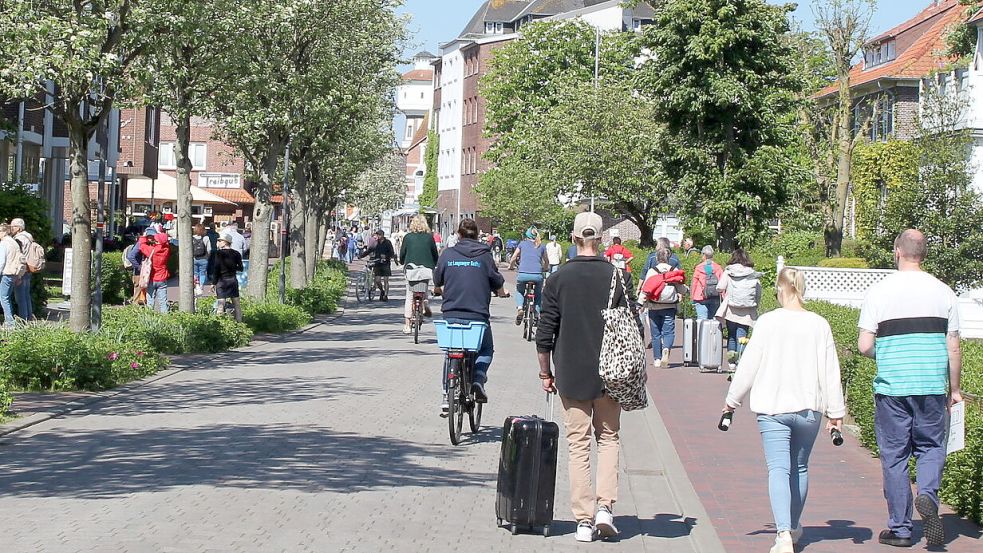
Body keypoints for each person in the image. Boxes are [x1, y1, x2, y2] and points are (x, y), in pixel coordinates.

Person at [723, 267, 846, 553]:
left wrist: (732, 399)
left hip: (773, 407)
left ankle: (783, 535)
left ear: (780, 290)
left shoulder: (768, 322)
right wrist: (835, 411)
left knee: (778, 469)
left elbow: (749, 364)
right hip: (808, 409)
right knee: (800, 468)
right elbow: (831, 371)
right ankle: (793, 524)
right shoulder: (819, 324)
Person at [536, 211, 639, 543]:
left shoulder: (558, 279)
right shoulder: (618, 277)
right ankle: (605, 507)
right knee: (609, 439)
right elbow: (635, 325)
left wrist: (545, 372)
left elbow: (545, 332)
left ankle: (583, 519)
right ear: (601, 239)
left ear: (574, 237)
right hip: (613, 372)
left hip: (571, 372)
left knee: (577, 444)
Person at [857, 229, 962, 548]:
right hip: (931, 386)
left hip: (893, 388)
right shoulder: (944, 292)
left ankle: (901, 530)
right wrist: (954, 390)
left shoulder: (879, 292)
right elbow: (953, 346)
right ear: (924, 253)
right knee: (931, 447)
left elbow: (864, 346)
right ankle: (928, 494)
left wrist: (887, 354)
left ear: (897, 252)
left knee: (895, 457)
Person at [433, 218, 508, 412]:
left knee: (451, 351)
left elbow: (437, 279)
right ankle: (478, 379)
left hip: (451, 313)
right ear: (477, 235)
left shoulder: (447, 254)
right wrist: (502, 292)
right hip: (477, 315)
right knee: (485, 349)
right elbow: (496, 281)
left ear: (458, 234)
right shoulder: (485, 256)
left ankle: (445, 393)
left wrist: (438, 289)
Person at [716, 248, 762, 371]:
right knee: (742, 336)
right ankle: (741, 360)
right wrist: (755, 304)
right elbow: (758, 291)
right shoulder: (752, 272)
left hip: (731, 307)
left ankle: (732, 362)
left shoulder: (729, 271)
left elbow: (720, 287)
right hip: (747, 309)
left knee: (731, 335)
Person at [640, 248, 684, 367]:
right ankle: (666, 349)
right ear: (668, 258)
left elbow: (646, 289)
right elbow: (681, 288)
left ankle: (657, 359)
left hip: (654, 306)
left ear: (657, 258)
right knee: (668, 332)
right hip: (670, 306)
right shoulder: (673, 270)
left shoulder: (652, 271)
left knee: (655, 334)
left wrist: (640, 304)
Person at [399, 215, 439, 334]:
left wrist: (402, 262)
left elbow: (402, 254)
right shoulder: (429, 237)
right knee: (424, 288)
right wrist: (434, 263)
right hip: (426, 270)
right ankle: (425, 304)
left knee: (409, 296)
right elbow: (435, 254)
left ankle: (407, 325)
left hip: (411, 269)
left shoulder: (408, 237)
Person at [509, 227, 548, 325]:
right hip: (537, 275)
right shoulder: (542, 246)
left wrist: (511, 266)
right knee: (538, 293)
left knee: (520, 291)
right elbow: (546, 261)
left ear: (527, 235)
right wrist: (545, 268)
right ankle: (536, 313)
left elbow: (514, 257)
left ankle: (520, 309)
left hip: (523, 274)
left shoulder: (522, 244)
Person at [138, 228, 172, 313]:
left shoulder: (152, 250)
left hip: (152, 278)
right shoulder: (166, 250)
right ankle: (165, 318)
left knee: (150, 299)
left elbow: (142, 246)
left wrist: (144, 236)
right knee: (163, 301)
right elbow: (166, 243)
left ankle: (150, 317)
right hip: (162, 278)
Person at [211, 236, 244, 322]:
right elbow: (241, 268)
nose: (218, 242)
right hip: (232, 280)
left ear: (225, 242)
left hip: (221, 282)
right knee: (236, 304)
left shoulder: (218, 254)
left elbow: (216, 269)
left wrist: (213, 283)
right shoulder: (236, 254)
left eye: (220, 241)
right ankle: (240, 324)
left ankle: (219, 325)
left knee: (221, 305)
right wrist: (232, 268)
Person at [359, 229, 395, 301]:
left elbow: (391, 253)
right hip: (377, 263)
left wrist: (386, 256)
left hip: (385, 263)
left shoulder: (388, 243)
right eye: (377, 235)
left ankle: (385, 295)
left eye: (379, 235)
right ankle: (382, 291)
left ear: (382, 235)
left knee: (385, 280)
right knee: (377, 280)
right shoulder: (375, 243)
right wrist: (361, 256)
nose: (377, 236)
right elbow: (369, 250)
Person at [9, 218, 33, 320]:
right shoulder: (29, 237)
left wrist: (18, 275)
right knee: (26, 296)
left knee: (20, 297)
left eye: (12, 227)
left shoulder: (19, 239)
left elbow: (19, 256)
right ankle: (29, 318)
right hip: (28, 269)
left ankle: (24, 320)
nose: (11, 229)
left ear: (19, 228)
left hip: (21, 270)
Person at [690, 245, 723, 321]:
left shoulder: (699, 268)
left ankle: (702, 333)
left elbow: (694, 283)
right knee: (714, 321)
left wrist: (692, 297)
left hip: (700, 297)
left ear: (704, 255)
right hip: (715, 296)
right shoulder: (718, 267)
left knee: (702, 320)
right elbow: (722, 283)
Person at [0, 223, 21, 328]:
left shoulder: (4, 243)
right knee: (7, 298)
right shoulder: (14, 242)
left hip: (6, 273)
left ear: (4, 232)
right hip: (14, 273)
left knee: (3, 298)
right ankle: (9, 321)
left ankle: (10, 323)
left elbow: (1, 261)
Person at [126, 235, 147, 305]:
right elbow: (131, 256)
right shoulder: (140, 244)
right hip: (138, 273)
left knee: (140, 292)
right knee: (137, 292)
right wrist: (138, 267)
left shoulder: (140, 243)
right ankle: (135, 309)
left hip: (140, 272)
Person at [192, 224, 211, 295]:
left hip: (194, 258)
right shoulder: (206, 238)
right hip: (204, 258)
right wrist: (208, 257)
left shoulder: (192, 238)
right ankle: (201, 286)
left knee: (195, 273)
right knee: (202, 273)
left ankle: (196, 286)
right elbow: (209, 249)